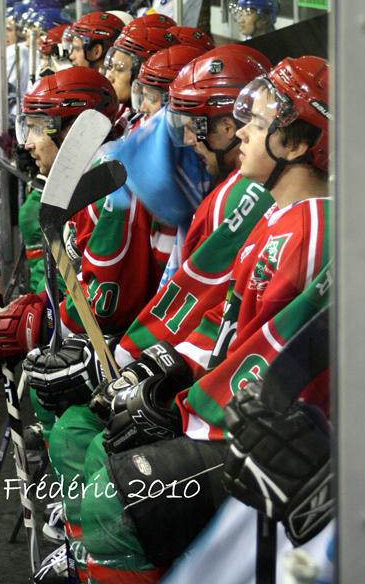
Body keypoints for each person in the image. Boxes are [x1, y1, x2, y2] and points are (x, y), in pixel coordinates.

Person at [22, 45, 274, 580]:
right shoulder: (219, 191)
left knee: (106, 476)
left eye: (186, 120)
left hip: (240, 421)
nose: (175, 137)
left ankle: (99, 556)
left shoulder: (258, 207)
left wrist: (156, 375)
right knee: (81, 434)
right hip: (202, 383)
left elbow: (247, 334)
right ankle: (86, 550)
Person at [77, 56, 332, 583]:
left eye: (258, 126)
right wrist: (169, 376)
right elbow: (232, 327)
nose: (240, 132)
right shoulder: (279, 215)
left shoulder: (310, 228)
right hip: (238, 424)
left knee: (112, 501)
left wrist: (180, 411)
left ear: (297, 144)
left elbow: (280, 363)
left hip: (268, 451)